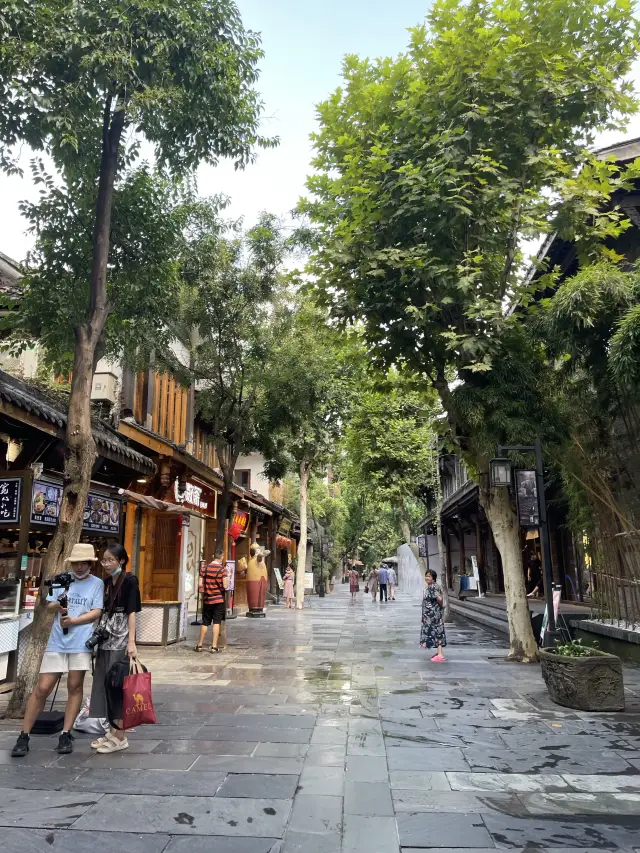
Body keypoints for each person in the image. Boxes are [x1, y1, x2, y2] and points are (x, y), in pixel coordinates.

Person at [11, 543, 104, 758]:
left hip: (81, 641)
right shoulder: (62, 580)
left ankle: (65, 733)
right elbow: (48, 605)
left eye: (83, 563)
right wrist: (59, 606)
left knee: (74, 686)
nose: (79, 567)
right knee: (43, 687)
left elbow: (96, 611)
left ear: (90, 564)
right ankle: (24, 735)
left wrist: (74, 620)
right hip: (57, 641)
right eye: (76, 563)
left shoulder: (97, 583)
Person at [89, 544, 141, 754]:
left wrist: (132, 642)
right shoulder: (105, 583)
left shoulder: (129, 580)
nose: (107, 564)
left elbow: (132, 612)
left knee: (118, 685)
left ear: (121, 561)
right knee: (105, 683)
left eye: (111, 560)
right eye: (104, 560)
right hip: (106, 637)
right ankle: (112, 731)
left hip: (121, 638)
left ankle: (120, 736)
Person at [195, 548, 228, 652]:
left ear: (214, 557)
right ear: (221, 557)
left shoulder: (204, 568)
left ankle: (199, 645)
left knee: (205, 622)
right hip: (218, 600)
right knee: (216, 622)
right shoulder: (223, 570)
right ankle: (214, 646)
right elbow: (225, 585)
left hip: (207, 599)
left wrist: (205, 590)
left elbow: (200, 584)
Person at [420, 569, 447, 662]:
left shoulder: (432, 587)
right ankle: (439, 653)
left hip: (433, 616)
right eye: (426, 576)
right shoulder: (432, 586)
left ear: (433, 578)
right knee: (436, 633)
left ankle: (440, 654)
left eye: (429, 576)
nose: (427, 578)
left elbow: (439, 598)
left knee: (437, 632)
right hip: (431, 615)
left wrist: (438, 607)